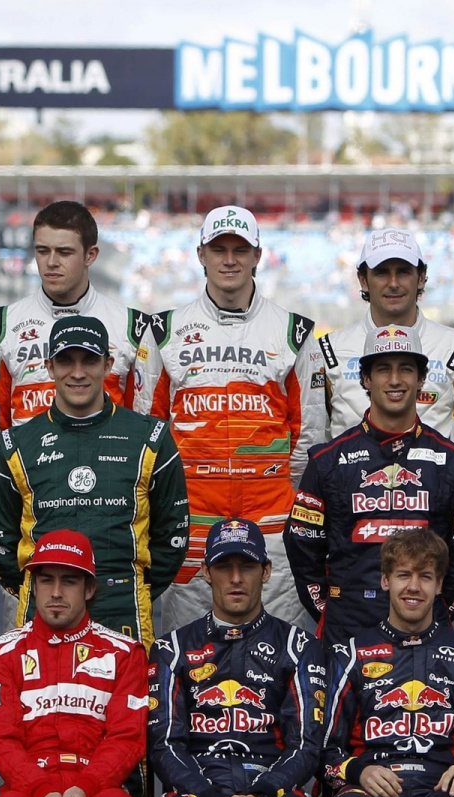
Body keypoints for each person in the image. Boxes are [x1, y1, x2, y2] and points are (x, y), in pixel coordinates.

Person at [140, 205, 325, 633]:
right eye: (218, 248)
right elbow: (147, 429)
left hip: (273, 522)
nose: (229, 259)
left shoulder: (293, 332)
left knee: (278, 647)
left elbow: (309, 434)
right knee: (188, 648)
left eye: (240, 249)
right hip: (190, 520)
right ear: (200, 254)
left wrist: (279, 496)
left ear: (257, 255)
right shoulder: (164, 331)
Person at [0, 315, 190, 647]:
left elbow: (173, 535)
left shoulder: (151, 437)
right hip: (44, 610)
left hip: (124, 609)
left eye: (89, 360)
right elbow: (1, 545)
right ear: (49, 366)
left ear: (108, 364)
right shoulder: (15, 444)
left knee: (128, 700)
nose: (77, 372)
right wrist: (46, 587)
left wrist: (133, 585)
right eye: (66, 360)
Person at [286, 323, 454, 649]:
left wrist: (434, 609)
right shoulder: (327, 461)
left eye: (406, 369)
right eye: (383, 370)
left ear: (421, 379)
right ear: (365, 379)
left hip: (427, 633)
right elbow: (302, 545)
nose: (395, 380)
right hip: (347, 632)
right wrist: (330, 609)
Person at [140, 518, 330, 797]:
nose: (237, 578)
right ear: (206, 572)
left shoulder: (299, 647)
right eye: (224, 566)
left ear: (267, 571)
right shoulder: (172, 649)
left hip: (272, 795)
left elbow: (306, 746)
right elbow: (164, 745)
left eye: (247, 566)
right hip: (197, 795)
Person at [322, 529, 454, 797]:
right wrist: (359, 771)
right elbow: (325, 750)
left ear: (439, 585)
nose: (414, 587)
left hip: (443, 787)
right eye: (403, 575)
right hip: (374, 787)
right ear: (385, 581)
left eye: (425, 576)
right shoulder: (349, 653)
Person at [0, 531, 147, 797]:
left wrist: (85, 787)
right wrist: (39, 789)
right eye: (45, 581)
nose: (55, 592)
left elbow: (127, 738)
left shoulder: (125, 653)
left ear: (90, 589)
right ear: (33, 586)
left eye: (69, 581)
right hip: (26, 787)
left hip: (98, 786)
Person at [0, 200, 152, 425]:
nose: (51, 262)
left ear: (90, 255)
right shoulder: (0, 325)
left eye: (64, 252)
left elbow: (142, 424)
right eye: (43, 251)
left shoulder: (132, 326)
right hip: (27, 459)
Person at [317, 227, 454, 451]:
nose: (393, 283)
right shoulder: (329, 351)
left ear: (421, 277)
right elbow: (314, 441)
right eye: (382, 272)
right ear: (363, 280)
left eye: (403, 272)